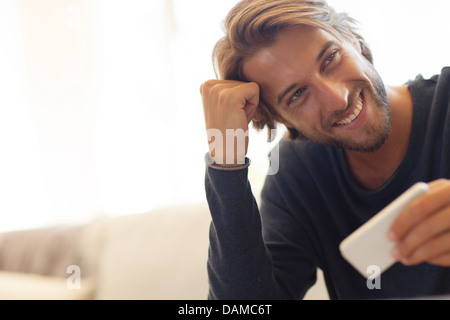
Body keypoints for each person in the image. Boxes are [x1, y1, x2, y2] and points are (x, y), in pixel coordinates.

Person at [200, 0, 450, 300]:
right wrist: (225, 159)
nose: (338, 98)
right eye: (297, 94)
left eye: (330, 58)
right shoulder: (299, 173)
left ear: (351, 38)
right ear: (280, 118)